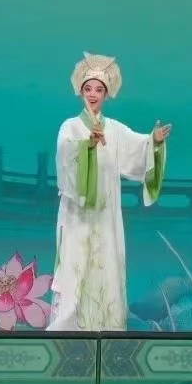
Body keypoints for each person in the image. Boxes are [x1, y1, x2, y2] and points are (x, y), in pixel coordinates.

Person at [47, 52, 171, 331]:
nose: (93, 94)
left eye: (99, 90)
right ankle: (69, 326)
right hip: (77, 214)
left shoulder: (114, 130)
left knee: (106, 262)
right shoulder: (70, 127)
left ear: (106, 94)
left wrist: (153, 141)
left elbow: (137, 148)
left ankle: (107, 326)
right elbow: (64, 156)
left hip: (105, 215)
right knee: (76, 263)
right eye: (88, 88)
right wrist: (87, 147)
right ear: (81, 91)